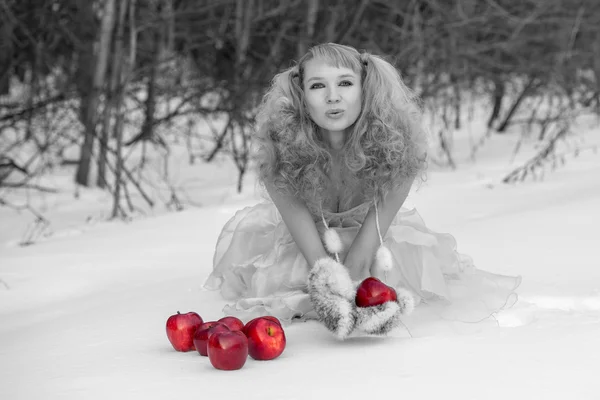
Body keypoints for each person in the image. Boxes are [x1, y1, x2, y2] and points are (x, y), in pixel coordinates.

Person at [203, 43, 520, 339]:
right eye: (317, 86)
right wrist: (326, 276)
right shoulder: (280, 148)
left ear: (365, 88)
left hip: (373, 238)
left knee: (383, 275)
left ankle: (376, 315)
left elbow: (369, 243)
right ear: (301, 96)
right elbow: (313, 252)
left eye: (344, 83)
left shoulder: (396, 145)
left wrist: (357, 268)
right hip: (305, 242)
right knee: (293, 283)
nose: (332, 97)